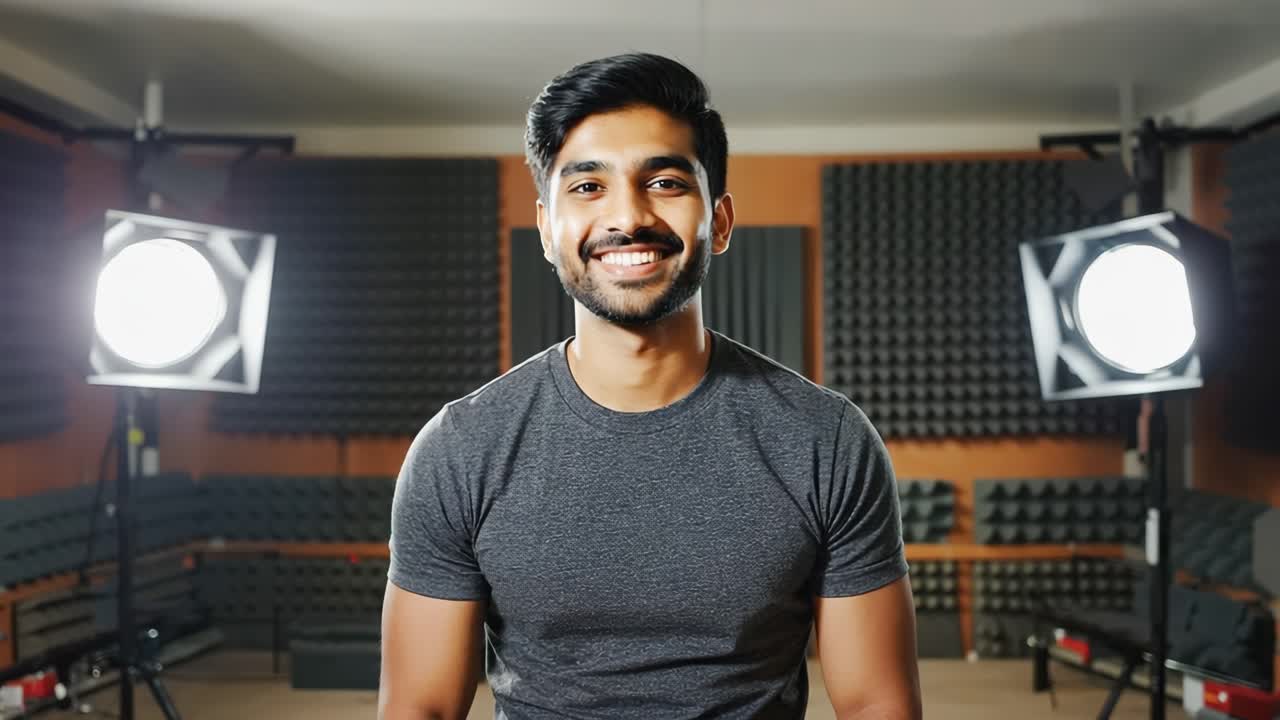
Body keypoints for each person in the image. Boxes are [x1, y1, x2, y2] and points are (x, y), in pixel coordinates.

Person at [379, 52, 921, 720]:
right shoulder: (460, 450)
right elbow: (420, 707)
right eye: (586, 187)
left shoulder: (826, 441)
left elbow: (877, 705)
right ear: (548, 230)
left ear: (718, 222)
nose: (627, 216)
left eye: (664, 182)